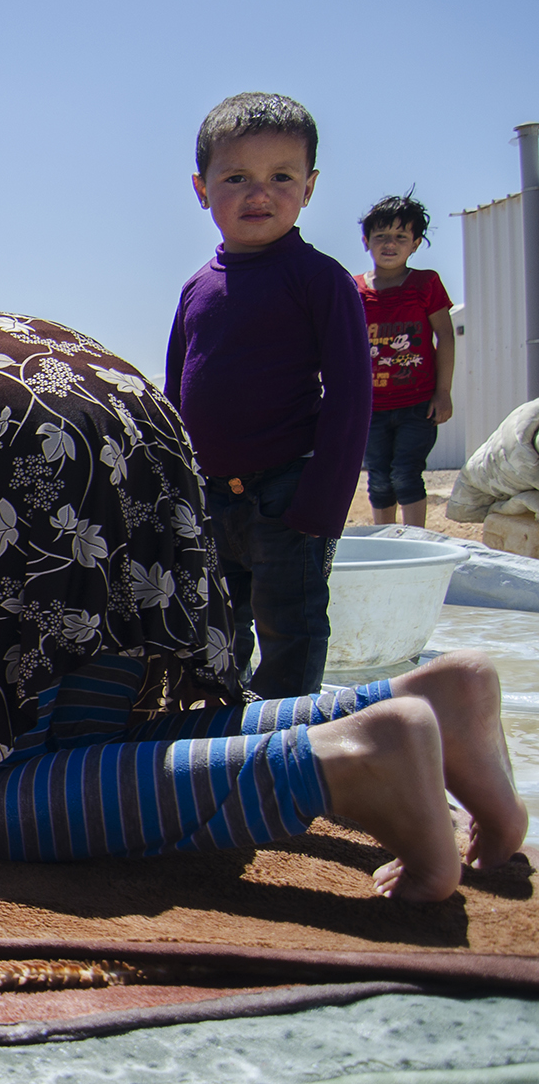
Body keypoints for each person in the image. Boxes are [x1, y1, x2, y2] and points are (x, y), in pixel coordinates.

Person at [0, 311, 525, 903]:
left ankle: (342, 763)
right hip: (138, 432)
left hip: (13, 451)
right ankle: (409, 704)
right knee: (94, 746)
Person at [165, 92, 372, 700]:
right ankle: (217, 740)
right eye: (237, 177)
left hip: (289, 495)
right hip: (211, 498)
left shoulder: (321, 280)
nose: (260, 193)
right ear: (202, 189)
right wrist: (179, 491)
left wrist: (321, 506)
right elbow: (177, 394)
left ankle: (283, 757)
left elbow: (351, 397)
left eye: (281, 177)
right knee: (214, 634)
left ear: (308, 187)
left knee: (291, 628)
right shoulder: (196, 289)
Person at [357, 193, 456, 528]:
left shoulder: (426, 283)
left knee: (406, 474)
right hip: (371, 408)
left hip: (418, 405)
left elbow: (445, 335)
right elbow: (338, 347)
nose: (390, 243)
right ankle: (385, 543)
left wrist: (443, 393)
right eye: (381, 235)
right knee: (379, 478)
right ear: (366, 240)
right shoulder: (352, 290)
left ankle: (417, 543)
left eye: (401, 237)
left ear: (414, 244)